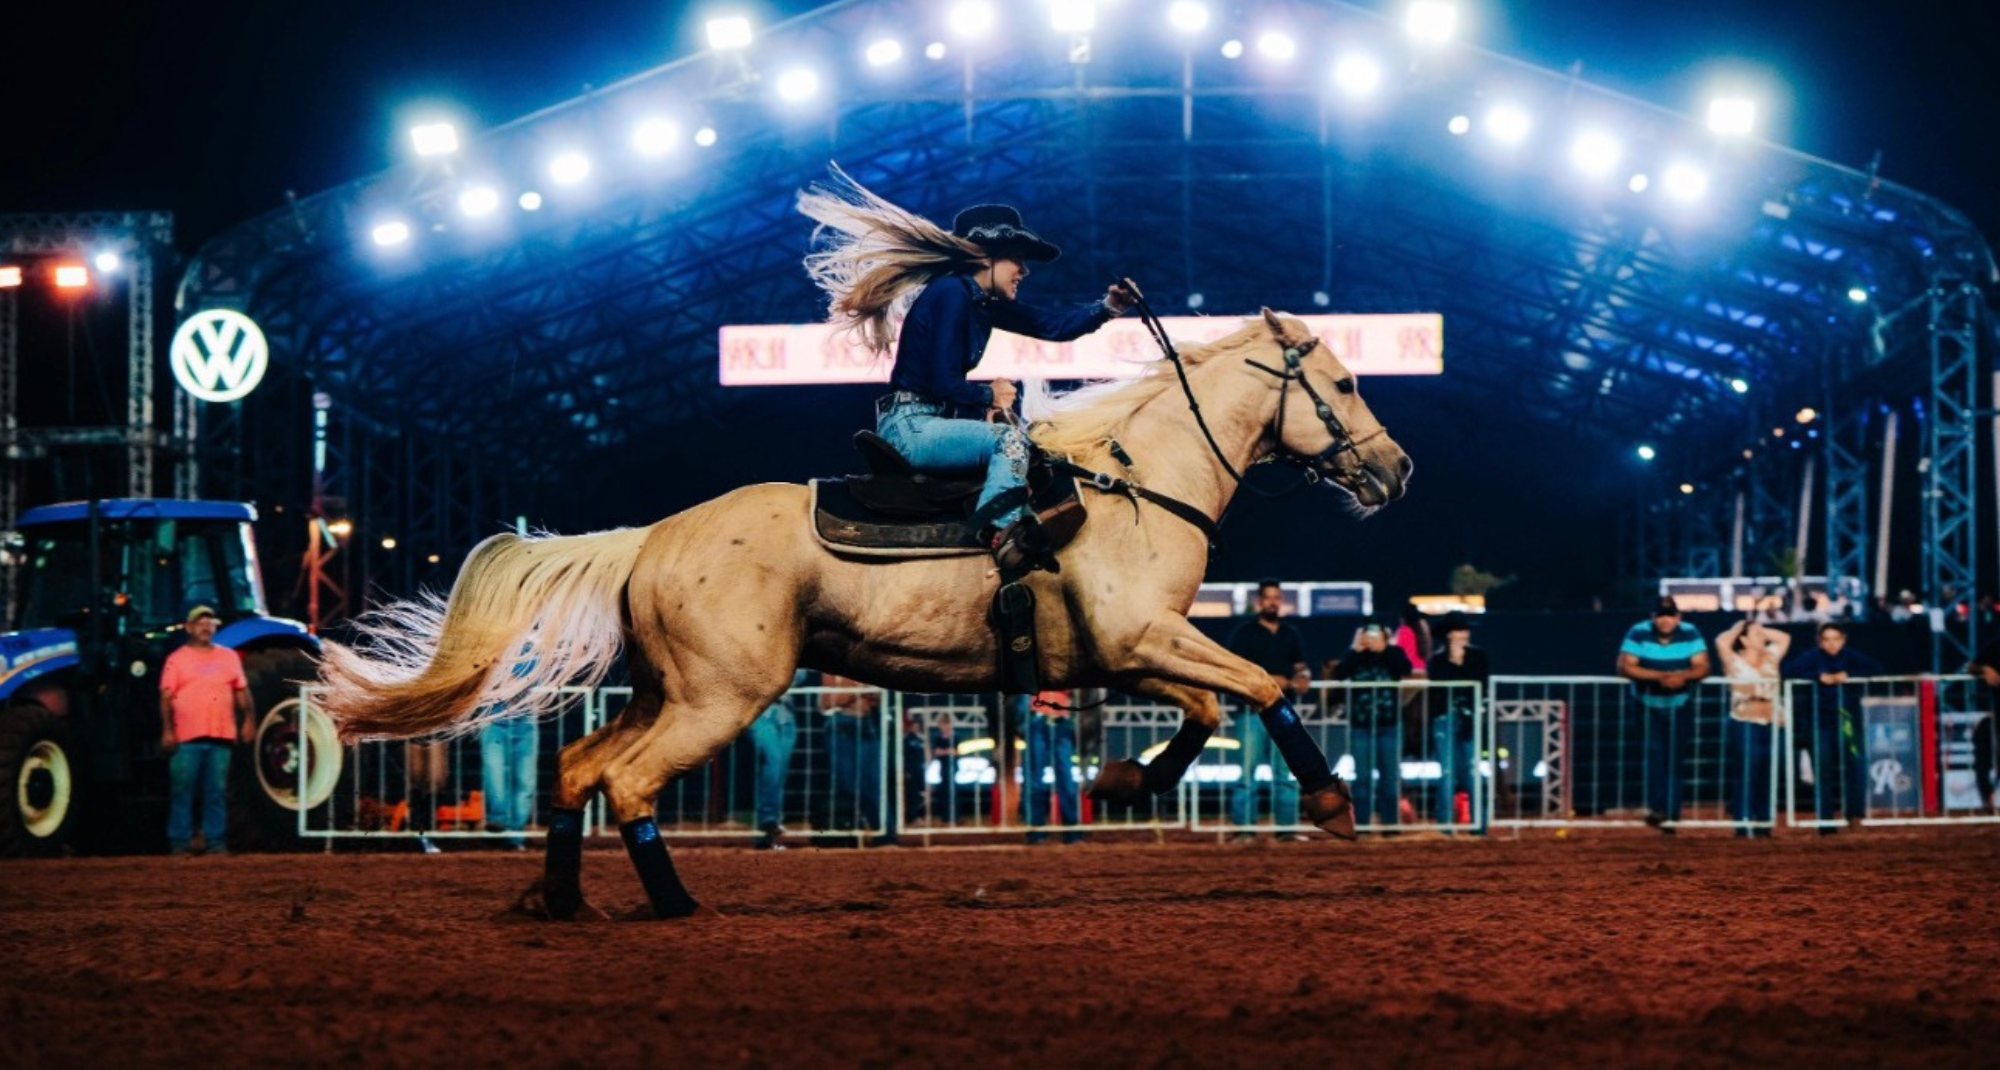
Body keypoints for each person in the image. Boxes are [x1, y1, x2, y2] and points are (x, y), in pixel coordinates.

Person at [798, 172, 1137, 571]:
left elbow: (1053, 328)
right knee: (1011, 443)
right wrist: (989, 395)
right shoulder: (950, 293)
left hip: (926, 421)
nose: (1024, 271)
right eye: (1018, 258)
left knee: (1028, 453)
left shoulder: (979, 301)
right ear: (986, 256)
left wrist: (1110, 307)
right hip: (913, 428)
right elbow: (942, 381)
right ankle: (1001, 533)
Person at [158, 605, 253, 855]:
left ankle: (216, 843)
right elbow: (165, 697)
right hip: (186, 738)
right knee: (182, 791)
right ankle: (179, 843)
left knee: (216, 793)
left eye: (209, 622)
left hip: (221, 737)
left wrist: (249, 721)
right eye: (199, 622)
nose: (205, 626)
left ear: (215, 627)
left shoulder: (229, 657)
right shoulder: (176, 659)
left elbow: (242, 691)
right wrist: (167, 731)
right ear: (189, 627)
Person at [1225, 581, 1313, 841]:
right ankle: (1244, 830)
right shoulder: (1244, 633)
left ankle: (1286, 830)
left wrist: (1303, 676)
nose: (1272, 602)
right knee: (1247, 774)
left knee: (1285, 773)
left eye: (1277, 598)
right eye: (1268, 598)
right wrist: (1273, 679)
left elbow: (1300, 665)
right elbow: (1235, 670)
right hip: (1251, 711)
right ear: (1258, 602)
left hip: (1283, 712)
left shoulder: (1291, 633)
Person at [1616, 596, 1710, 834]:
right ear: (1653, 617)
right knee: (1655, 755)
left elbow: (1703, 666)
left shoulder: (1690, 632)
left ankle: (1670, 813)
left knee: (1675, 758)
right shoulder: (1638, 631)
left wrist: (1682, 677)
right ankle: (1659, 808)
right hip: (1646, 703)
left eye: (1669, 615)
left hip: (1680, 703)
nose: (1665, 620)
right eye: (1660, 615)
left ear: (1678, 617)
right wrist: (1660, 677)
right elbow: (1624, 666)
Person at [1782, 622, 1884, 831]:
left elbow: (1876, 667)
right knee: (1822, 771)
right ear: (1820, 641)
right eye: (1827, 639)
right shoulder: (1811, 657)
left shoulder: (1850, 656)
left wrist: (1848, 675)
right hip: (1817, 721)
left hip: (1847, 721)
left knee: (1855, 766)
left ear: (1843, 640)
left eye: (1835, 639)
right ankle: (1825, 820)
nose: (1831, 644)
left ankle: (1855, 813)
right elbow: (1789, 670)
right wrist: (1818, 677)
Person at [1333, 619, 1414, 830]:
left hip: (1389, 724)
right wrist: (1356, 651)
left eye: (1376, 634)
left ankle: (1390, 826)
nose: (1372, 638)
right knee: (1362, 779)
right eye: (1368, 634)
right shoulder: (1356, 655)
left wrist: (1384, 650)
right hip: (1361, 725)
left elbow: (1405, 667)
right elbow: (1340, 674)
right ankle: (1362, 825)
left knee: (1390, 778)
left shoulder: (1394, 652)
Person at [1714, 618, 1791, 837]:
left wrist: (1760, 629)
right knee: (1746, 773)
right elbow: (1721, 641)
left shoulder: (1770, 657)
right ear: (1744, 640)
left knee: (1768, 774)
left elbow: (1785, 637)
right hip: (1745, 721)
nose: (1763, 638)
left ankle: (1764, 823)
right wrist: (1740, 627)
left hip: (1772, 722)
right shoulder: (1735, 661)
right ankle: (1743, 822)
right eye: (1756, 635)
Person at [1424, 612, 1489, 831]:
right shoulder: (1437, 660)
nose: (1464, 634)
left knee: (1472, 771)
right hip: (1444, 719)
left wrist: (1461, 660)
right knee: (1447, 774)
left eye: (1465, 630)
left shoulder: (1478, 656)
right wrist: (1453, 660)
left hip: (1469, 718)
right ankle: (1445, 825)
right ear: (1449, 635)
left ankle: (1480, 824)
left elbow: (1480, 681)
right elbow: (1439, 683)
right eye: (1459, 630)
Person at [747, 669, 808, 850]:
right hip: (761, 713)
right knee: (773, 761)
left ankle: (768, 832)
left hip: (786, 714)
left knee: (779, 771)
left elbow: (802, 674)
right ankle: (768, 820)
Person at [1020, 691, 1084, 845]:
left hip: (1060, 721)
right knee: (1037, 781)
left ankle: (1071, 832)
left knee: (1066, 780)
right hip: (1039, 719)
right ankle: (1037, 832)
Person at [1968, 642, 2000, 815]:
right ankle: (1987, 800)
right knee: (1983, 758)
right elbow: (1971, 667)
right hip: (1995, 715)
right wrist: (1985, 669)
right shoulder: (1995, 646)